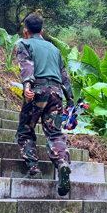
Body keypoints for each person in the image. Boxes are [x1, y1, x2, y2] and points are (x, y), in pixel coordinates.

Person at [15, 13, 73, 196]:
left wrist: (27, 86)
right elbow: (64, 74)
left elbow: (27, 67)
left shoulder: (24, 43)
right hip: (56, 94)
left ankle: (34, 169)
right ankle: (62, 162)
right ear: (42, 30)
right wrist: (70, 98)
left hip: (36, 92)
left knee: (25, 131)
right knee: (54, 132)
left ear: (26, 30)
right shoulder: (54, 49)